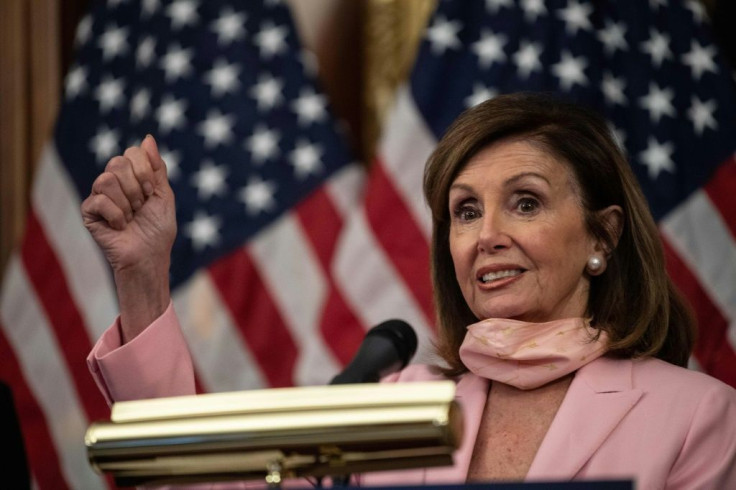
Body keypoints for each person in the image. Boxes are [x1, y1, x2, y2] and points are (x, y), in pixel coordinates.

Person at [84, 92, 736, 488]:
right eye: (466, 211)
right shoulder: (394, 399)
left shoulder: (699, 417)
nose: (488, 235)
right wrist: (143, 277)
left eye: (526, 203)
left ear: (602, 236)